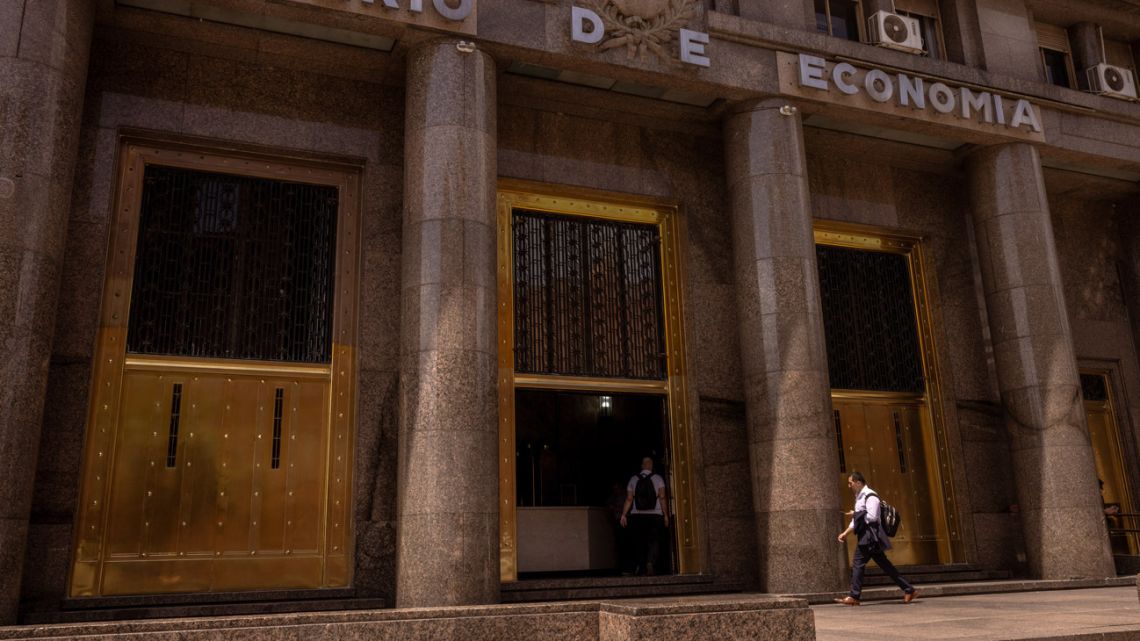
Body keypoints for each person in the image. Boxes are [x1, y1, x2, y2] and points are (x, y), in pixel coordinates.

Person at [835, 471, 918, 606]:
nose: (849, 486)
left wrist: (855, 514)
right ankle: (909, 589)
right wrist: (846, 533)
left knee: (858, 563)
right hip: (866, 535)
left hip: (870, 536)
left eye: (850, 483)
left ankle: (854, 596)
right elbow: (857, 521)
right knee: (885, 565)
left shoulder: (870, 496)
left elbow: (872, 517)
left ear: (858, 482)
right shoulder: (859, 497)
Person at [620, 457, 669, 576]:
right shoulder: (658, 478)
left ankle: (640, 566)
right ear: (651, 466)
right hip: (655, 514)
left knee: (640, 541)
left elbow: (629, 499)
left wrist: (623, 515)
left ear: (642, 466)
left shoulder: (633, 479)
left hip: (638, 515)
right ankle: (650, 562)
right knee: (654, 540)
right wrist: (665, 515)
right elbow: (662, 497)